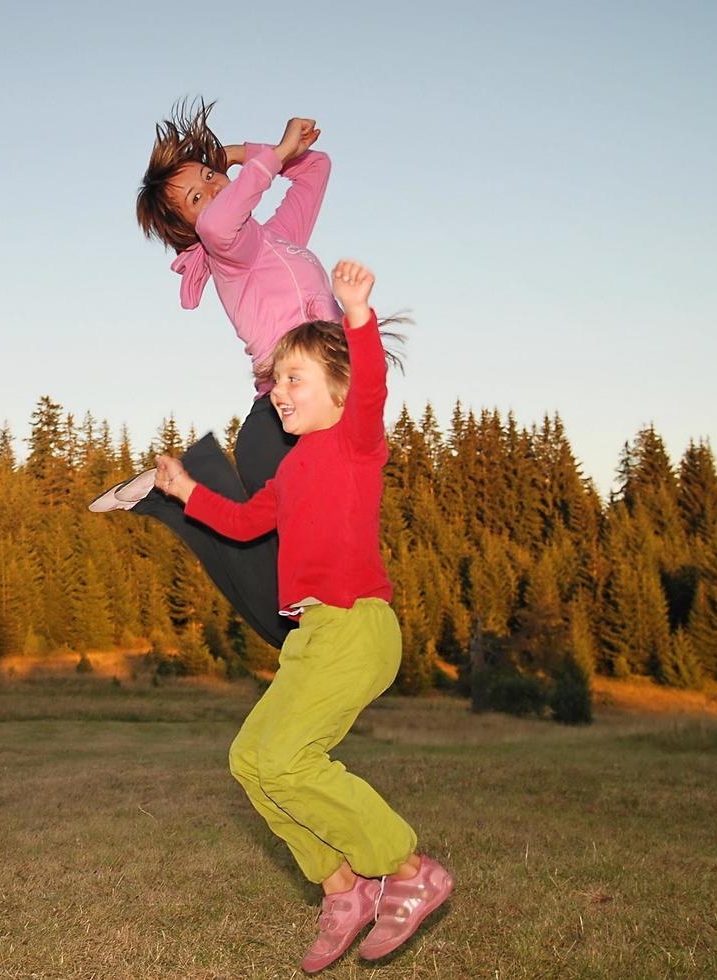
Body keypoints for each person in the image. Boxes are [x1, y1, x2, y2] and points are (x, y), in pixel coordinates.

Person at [154, 259, 453, 971]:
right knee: (251, 761)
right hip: (312, 635)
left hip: (356, 627)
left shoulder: (354, 441)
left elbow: (372, 381)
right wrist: (186, 490)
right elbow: (242, 521)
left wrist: (356, 313)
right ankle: (343, 887)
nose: (279, 391)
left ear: (337, 391)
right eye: (276, 379)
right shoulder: (290, 471)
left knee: (289, 760)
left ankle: (407, 870)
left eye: (295, 379)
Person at [90, 100, 334, 650]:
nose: (216, 192)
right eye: (196, 199)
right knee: (291, 613)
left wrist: (238, 155)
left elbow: (316, 167)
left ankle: (177, 491)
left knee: (288, 602)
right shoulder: (231, 248)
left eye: (210, 178)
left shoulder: (277, 237)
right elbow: (225, 219)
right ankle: (177, 493)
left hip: (295, 418)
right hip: (282, 423)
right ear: (193, 231)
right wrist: (268, 159)